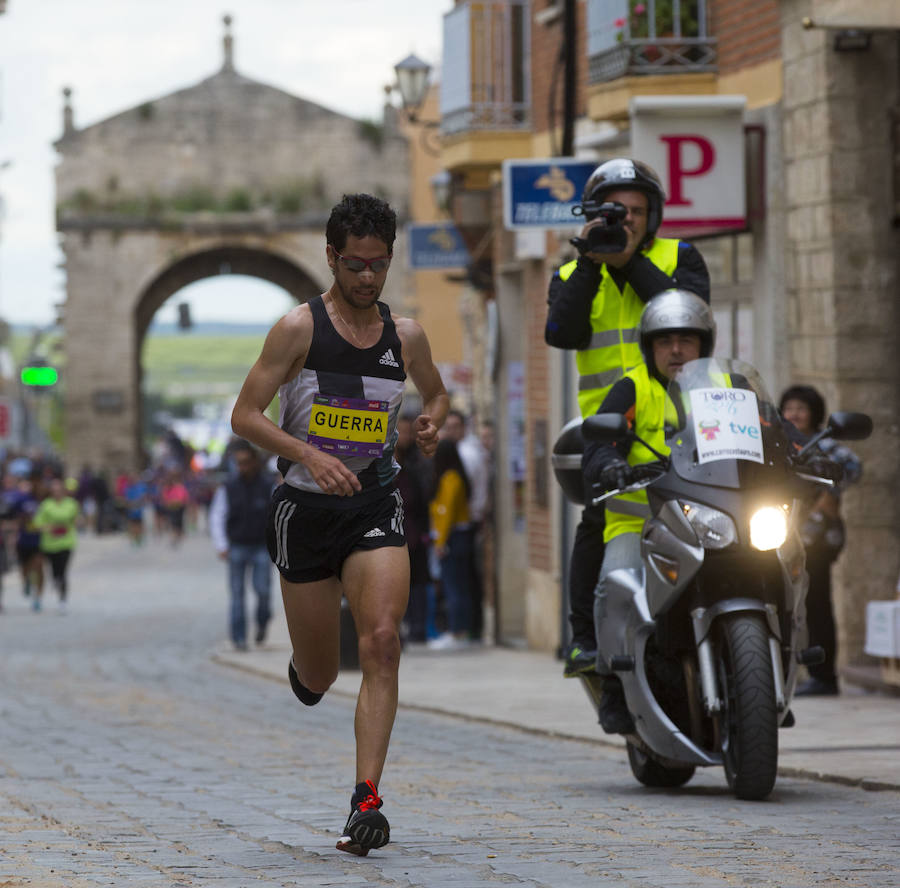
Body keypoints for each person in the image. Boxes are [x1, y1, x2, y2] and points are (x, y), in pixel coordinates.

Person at [230, 192, 448, 857]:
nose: (367, 278)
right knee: (322, 676)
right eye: (355, 265)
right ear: (331, 258)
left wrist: (432, 419)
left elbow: (435, 390)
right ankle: (307, 671)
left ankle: (367, 801)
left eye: (379, 265)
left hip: (375, 501)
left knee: (382, 642)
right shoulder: (297, 329)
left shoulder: (403, 335)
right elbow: (245, 416)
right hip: (306, 511)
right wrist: (308, 453)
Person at [545, 157, 711, 678]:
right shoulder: (572, 271)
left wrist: (629, 259)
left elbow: (686, 312)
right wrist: (594, 262)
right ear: (595, 212)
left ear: (654, 215)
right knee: (596, 522)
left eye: (637, 211)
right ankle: (583, 640)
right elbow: (561, 333)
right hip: (608, 430)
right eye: (616, 211)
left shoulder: (679, 256)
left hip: (682, 419)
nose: (628, 221)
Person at [582, 289, 715, 733]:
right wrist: (610, 463)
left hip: (714, 519)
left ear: (704, 345)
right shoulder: (632, 387)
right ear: (649, 347)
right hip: (640, 522)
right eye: (664, 341)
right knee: (613, 586)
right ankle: (614, 685)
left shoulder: (727, 388)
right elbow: (598, 443)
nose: (676, 349)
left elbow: (770, 426)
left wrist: (807, 449)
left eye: (686, 340)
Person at [779, 385, 862, 696]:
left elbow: (853, 467)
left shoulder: (824, 443)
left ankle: (824, 676)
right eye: (789, 408)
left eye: (801, 408)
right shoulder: (778, 442)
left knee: (815, 604)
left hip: (817, 540)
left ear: (814, 412)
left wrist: (829, 490)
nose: (795, 414)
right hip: (778, 534)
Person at [209, 440, 275, 651]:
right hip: (237, 546)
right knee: (237, 594)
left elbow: (276, 517)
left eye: (246, 462)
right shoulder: (228, 488)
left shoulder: (268, 486)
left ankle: (263, 621)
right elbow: (218, 516)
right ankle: (238, 637)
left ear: (254, 462)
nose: (242, 467)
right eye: (239, 463)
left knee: (263, 590)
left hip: (261, 546)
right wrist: (221, 544)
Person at [441, 409, 489, 640]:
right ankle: (468, 629)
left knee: (460, 580)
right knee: (466, 579)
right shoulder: (464, 451)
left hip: (463, 524)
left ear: (463, 428)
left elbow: (455, 499)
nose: (450, 432)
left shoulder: (466, 455)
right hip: (467, 523)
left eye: (454, 427)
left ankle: (462, 629)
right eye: (447, 427)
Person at [427, 438, 472, 650]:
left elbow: (446, 513)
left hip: (453, 537)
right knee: (459, 585)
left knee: (453, 585)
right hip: (459, 535)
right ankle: (461, 631)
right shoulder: (456, 477)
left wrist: (440, 541)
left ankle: (456, 631)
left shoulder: (450, 479)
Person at [393, 414, 433, 644]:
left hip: (414, 534)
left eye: (409, 432)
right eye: (402, 432)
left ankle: (417, 629)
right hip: (392, 534)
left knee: (417, 584)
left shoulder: (417, 464)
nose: (406, 437)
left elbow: (422, 500)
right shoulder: (382, 466)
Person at [32, 477, 80, 614]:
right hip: (49, 543)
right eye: (54, 491)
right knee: (53, 571)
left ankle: (63, 601)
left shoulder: (71, 504)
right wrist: (49, 528)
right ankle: (55, 582)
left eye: (59, 490)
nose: (57, 493)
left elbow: (77, 520)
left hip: (66, 542)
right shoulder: (46, 505)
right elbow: (37, 523)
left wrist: (75, 523)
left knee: (63, 571)